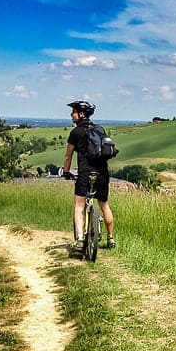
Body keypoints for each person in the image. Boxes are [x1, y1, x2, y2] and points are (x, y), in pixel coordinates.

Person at [62, 99, 116, 249]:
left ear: (81, 113)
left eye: (73, 112)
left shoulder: (76, 132)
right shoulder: (100, 129)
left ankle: (79, 239)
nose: (71, 114)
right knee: (104, 205)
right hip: (102, 173)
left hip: (85, 173)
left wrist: (66, 172)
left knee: (79, 206)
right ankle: (111, 238)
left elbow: (68, 156)